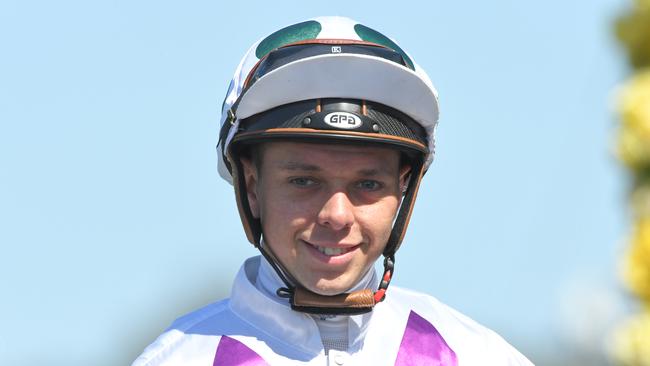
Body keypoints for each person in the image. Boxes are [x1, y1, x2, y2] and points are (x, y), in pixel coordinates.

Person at [133, 16, 534, 365]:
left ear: (403, 189)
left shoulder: (474, 354)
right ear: (252, 186)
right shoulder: (180, 357)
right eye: (304, 181)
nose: (337, 215)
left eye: (367, 184)